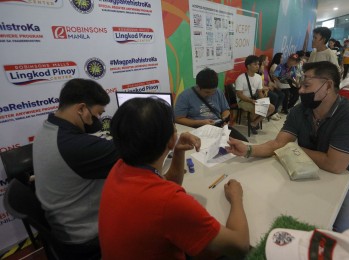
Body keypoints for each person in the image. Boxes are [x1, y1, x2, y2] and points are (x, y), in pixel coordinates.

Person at [227, 61, 349, 233]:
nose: (300, 90)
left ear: (327, 86)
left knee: (342, 234)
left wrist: (293, 148)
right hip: (310, 170)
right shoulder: (300, 111)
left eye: (306, 85)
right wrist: (248, 149)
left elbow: (335, 165)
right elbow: (278, 144)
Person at [99, 97, 249, 259]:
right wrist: (236, 198)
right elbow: (240, 245)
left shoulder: (120, 167)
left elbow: (164, 185)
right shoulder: (169, 202)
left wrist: (178, 151)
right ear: (171, 139)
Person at [33, 78, 119, 259]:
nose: (97, 120)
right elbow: (136, 152)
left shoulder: (47, 130)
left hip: (65, 227)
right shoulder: (75, 146)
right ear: (80, 108)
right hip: (86, 239)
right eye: (97, 114)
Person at [175, 68, 248, 141]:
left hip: (218, 126)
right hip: (198, 129)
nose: (211, 94)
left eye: (213, 91)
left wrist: (225, 119)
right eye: (207, 92)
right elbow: (178, 119)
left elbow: (225, 109)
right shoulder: (185, 96)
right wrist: (199, 123)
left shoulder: (218, 91)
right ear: (198, 86)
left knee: (243, 142)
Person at [235, 55, 275, 134]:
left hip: (254, 99)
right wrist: (251, 101)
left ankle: (254, 123)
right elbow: (239, 95)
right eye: (255, 64)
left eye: (258, 64)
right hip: (242, 100)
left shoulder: (258, 77)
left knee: (271, 108)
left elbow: (260, 92)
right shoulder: (241, 78)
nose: (258, 66)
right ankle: (251, 121)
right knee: (256, 108)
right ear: (248, 66)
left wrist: (264, 101)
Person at [259, 54, 284, 120]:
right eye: (267, 60)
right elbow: (261, 85)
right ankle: (271, 113)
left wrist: (273, 85)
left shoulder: (265, 70)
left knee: (282, 94)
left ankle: (274, 111)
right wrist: (269, 87)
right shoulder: (259, 71)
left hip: (268, 87)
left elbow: (269, 81)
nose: (268, 61)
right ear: (262, 61)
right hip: (264, 89)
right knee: (275, 96)